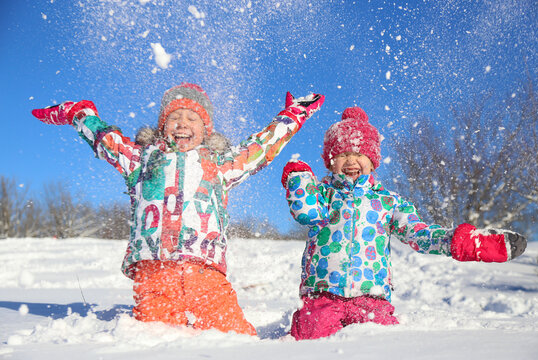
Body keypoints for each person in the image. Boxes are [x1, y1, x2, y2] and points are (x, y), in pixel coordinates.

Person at [32, 83, 325, 335]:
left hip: (206, 273)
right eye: (174, 117)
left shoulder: (220, 164)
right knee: (154, 337)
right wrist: (80, 114)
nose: (182, 123)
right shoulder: (142, 160)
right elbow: (108, 141)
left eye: (192, 118)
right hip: (153, 271)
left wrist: (294, 114)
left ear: (205, 129)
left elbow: (261, 147)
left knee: (234, 339)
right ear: (162, 125)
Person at [280, 106, 527, 340]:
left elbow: (419, 234)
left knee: (382, 343)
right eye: (343, 154)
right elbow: (306, 213)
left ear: (372, 160)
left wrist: (462, 243)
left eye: (359, 154)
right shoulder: (323, 195)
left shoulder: (388, 202)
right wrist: (299, 178)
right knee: (310, 339)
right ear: (331, 161)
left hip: (371, 297)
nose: (351, 160)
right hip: (323, 294)